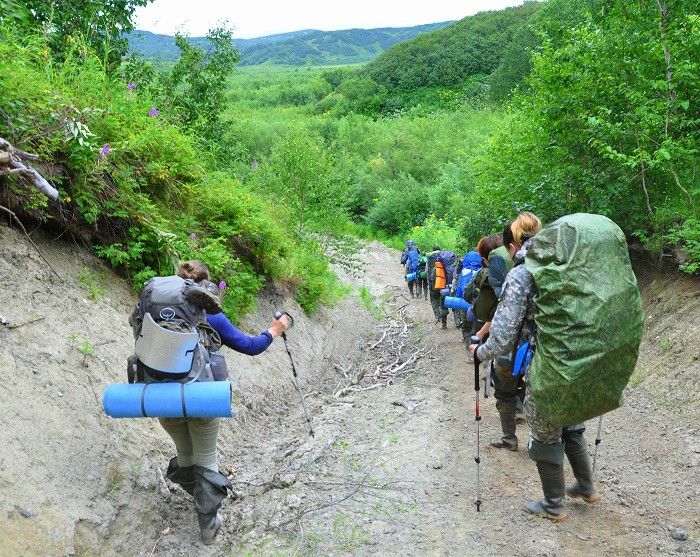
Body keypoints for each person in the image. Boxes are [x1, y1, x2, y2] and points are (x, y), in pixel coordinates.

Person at [140, 260, 289, 544]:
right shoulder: (209, 314)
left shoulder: (153, 313)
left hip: (161, 399)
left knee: (186, 454)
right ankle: (208, 523)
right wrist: (274, 330)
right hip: (201, 397)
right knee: (207, 460)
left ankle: (199, 495)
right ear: (206, 285)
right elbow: (250, 346)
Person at [470, 212, 599, 521]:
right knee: (570, 423)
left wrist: (479, 352)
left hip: (547, 365)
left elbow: (501, 337)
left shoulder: (522, 273)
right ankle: (585, 485)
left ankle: (553, 505)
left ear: (512, 245)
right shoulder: (565, 266)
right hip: (578, 359)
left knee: (545, 430)